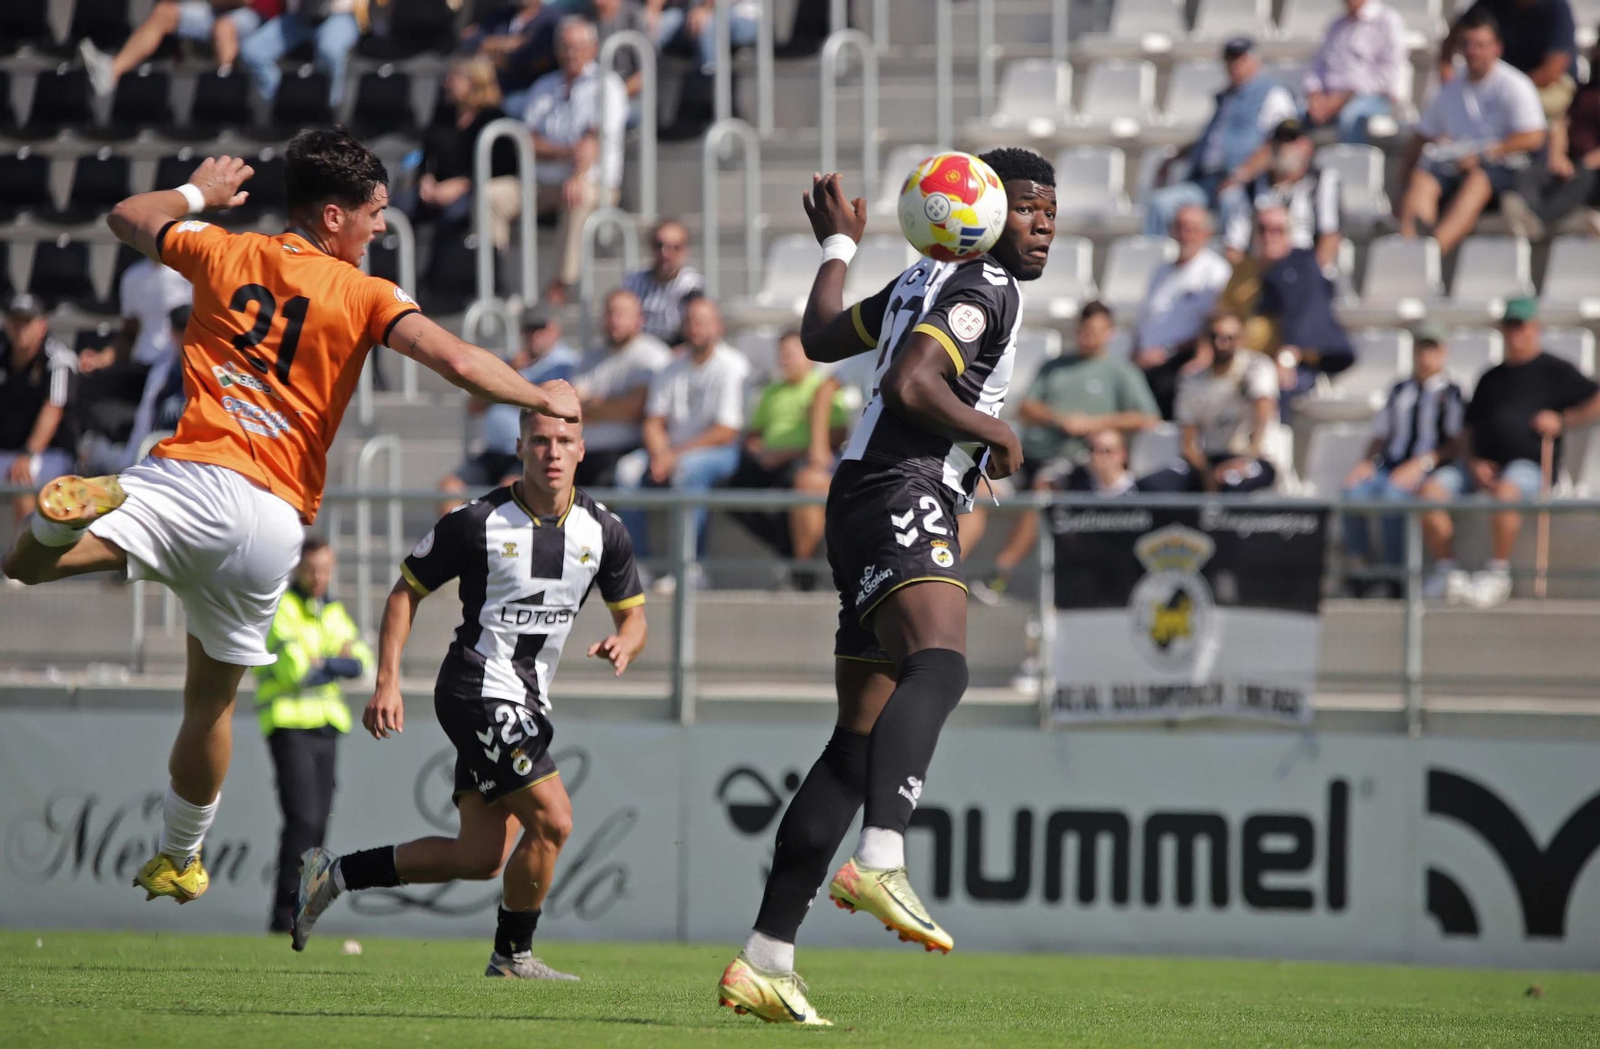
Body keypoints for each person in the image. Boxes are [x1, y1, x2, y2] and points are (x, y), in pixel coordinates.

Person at [0, 129, 580, 909]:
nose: (382, 226)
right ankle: (179, 855)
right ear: (334, 216)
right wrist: (546, 397)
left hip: (186, 476)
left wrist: (198, 192)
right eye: (374, 212)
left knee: (25, 564)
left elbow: (126, 215)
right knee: (210, 702)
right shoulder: (365, 293)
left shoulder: (222, 250)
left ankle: (67, 517)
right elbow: (459, 362)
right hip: (271, 517)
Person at [716, 150, 1055, 1026]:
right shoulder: (985, 285)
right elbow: (912, 384)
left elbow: (822, 337)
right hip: (905, 488)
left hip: (859, 495)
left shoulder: (921, 278)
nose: (1042, 226)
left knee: (855, 744)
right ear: (983, 213)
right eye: (1026, 209)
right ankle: (881, 854)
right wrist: (994, 432)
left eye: (1051, 212)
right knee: (941, 664)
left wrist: (837, 246)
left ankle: (766, 957)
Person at [290, 409, 648, 978]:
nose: (552, 452)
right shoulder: (477, 520)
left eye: (564, 441)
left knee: (480, 857)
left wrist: (625, 642)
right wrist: (387, 681)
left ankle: (334, 875)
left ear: (582, 449)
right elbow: (405, 591)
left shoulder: (604, 531)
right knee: (554, 820)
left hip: (528, 702)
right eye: (540, 441)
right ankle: (512, 956)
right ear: (520, 447)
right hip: (475, 688)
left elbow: (634, 617)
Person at [973, 301, 1158, 604]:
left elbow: (1147, 417)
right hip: (1028, 454)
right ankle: (948, 568)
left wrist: (1095, 423)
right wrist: (1059, 419)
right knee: (976, 486)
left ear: (1109, 333)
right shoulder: (1053, 365)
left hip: (1071, 458)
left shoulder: (1121, 371)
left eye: (1095, 331)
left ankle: (1000, 572)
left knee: (1045, 487)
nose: (1088, 337)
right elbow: (1025, 407)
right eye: (1084, 330)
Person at [1418, 298, 1600, 606]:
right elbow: (1468, 431)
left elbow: (1596, 399)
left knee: (1506, 491)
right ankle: (1448, 573)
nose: (1515, 332)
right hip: (1478, 467)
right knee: (1429, 492)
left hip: (1528, 466)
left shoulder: (1555, 370)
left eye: (1520, 325)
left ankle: (1498, 573)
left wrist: (1562, 420)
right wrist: (1474, 463)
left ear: (1535, 328)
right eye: (1509, 325)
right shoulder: (1490, 377)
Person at [254, 535, 370, 934]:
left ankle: (299, 912)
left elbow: (362, 663)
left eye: (324, 569)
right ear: (298, 569)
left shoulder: (332, 609)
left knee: (318, 825)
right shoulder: (282, 607)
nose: (318, 577)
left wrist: (327, 663)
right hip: (288, 723)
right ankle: (283, 913)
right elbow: (295, 670)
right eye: (311, 569)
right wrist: (336, 662)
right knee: (302, 819)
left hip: (326, 725)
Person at [614, 295, 749, 575]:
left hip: (721, 451)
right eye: (690, 321)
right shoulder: (670, 366)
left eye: (702, 321)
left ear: (718, 326)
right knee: (626, 471)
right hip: (671, 451)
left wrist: (671, 456)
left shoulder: (733, 365)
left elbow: (726, 431)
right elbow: (653, 421)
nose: (695, 327)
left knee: (688, 470)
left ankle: (690, 568)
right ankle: (639, 565)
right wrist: (661, 454)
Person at [1397, 10, 1547, 255]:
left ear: (1496, 48)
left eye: (1479, 45)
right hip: (1457, 165)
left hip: (1506, 169)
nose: (1472, 51)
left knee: (1478, 179)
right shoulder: (1450, 88)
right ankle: (1410, 249)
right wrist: (1403, 182)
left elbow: (1534, 137)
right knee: (1423, 177)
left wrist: (1485, 154)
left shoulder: (1515, 85)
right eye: (1466, 44)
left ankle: (1433, 252)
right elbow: (1421, 136)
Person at [1341, 324, 1467, 597]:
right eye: (1422, 348)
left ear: (1444, 352)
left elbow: (1455, 443)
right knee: (1352, 492)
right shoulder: (1399, 389)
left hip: (1428, 468)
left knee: (1393, 496)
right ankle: (1360, 570)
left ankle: (1395, 574)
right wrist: (1367, 462)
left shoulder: (1451, 393)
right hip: (1390, 466)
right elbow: (1381, 434)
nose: (1426, 355)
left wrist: (1421, 464)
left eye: (1432, 349)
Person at [1143, 36, 1298, 237]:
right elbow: (1209, 142)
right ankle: (1159, 256)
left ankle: (1230, 255)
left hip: (1245, 185)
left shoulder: (1273, 94)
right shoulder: (1225, 98)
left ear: (1256, 61)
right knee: (1161, 203)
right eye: (1230, 60)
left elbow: (1279, 142)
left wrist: (1241, 174)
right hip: (1205, 181)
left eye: (1242, 59)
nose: (1235, 65)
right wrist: (1173, 158)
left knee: (1230, 201)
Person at [522, 16, 628, 303]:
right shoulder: (543, 86)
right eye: (566, 46)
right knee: (493, 197)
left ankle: (563, 283)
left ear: (593, 48)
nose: (572, 53)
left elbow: (592, 141)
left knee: (577, 196)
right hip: (541, 182)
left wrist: (577, 174)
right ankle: (490, 275)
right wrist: (566, 151)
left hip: (594, 183)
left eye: (579, 46)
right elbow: (526, 141)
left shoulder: (607, 85)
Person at [1220, 205, 1353, 420]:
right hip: (1242, 360)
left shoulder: (1304, 266)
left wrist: (1287, 358)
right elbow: (1223, 316)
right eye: (1263, 229)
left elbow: (1306, 318)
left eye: (1277, 230)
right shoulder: (1243, 271)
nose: (1269, 236)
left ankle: (1269, 440)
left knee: (1269, 387)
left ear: (1289, 234)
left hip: (1293, 364)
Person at [726, 331, 849, 563]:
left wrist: (785, 455)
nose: (785, 359)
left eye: (791, 353)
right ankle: (786, 551)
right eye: (782, 354)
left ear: (809, 356)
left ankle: (799, 564)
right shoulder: (771, 391)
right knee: (729, 491)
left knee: (797, 486)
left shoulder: (823, 387)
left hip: (801, 462)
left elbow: (835, 438)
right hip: (769, 462)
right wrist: (757, 450)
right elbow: (754, 434)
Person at [440, 311, 578, 511]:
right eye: (529, 329)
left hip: (531, 452)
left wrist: (512, 390)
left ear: (554, 330)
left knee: (507, 492)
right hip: (494, 451)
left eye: (540, 329)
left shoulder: (565, 364)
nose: (534, 335)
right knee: (448, 489)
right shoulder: (508, 362)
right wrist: (509, 371)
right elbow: (473, 406)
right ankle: (457, 533)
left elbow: (560, 408)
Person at [1138, 311, 1280, 493]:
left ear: (1241, 339)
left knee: (1232, 483)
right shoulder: (1192, 381)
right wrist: (1206, 472)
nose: (1222, 343)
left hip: (1253, 456)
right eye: (1215, 336)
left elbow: (1264, 414)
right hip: (1208, 460)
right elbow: (1188, 441)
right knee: (1150, 486)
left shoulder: (1257, 367)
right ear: (1206, 339)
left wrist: (1248, 458)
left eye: (1230, 337)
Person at [77, 255, 194, 474]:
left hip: (183, 364)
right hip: (145, 368)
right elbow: (129, 332)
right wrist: (103, 358)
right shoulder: (133, 276)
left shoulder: (190, 273)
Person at [398, 57, 521, 247]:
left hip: (475, 187)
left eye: (453, 78)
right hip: (439, 187)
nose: (446, 84)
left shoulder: (494, 119)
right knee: (402, 205)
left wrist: (463, 184)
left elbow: (503, 167)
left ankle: (449, 265)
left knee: (454, 213)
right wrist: (425, 179)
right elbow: (427, 154)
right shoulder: (443, 114)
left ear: (474, 82)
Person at [1134, 204, 1233, 419]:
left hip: (1179, 361)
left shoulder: (1215, 271)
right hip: (1147, 362)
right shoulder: (1160, 271)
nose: (1185, 234)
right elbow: (1145, 319)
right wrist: (1137, 353)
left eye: (1192, 228)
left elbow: (1215, 322)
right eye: (1180, 227)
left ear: (1206, 233)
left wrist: (1167, 352)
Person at [1499, 38, 1600, 239]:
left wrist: (1586, 164)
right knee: (1529, 173)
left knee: (1585, 178)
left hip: (1593, 171)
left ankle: (1538, 222)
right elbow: (1561, 123)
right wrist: (1557, 155)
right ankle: (1530, 214)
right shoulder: (1585, 91)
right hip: (1570, 163)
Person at [573, 288, 672, 487]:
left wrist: (590, 405)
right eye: (610, 313)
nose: (614, 320)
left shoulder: (653, 355)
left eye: (622, 314)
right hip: (583, 453)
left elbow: (636, 408)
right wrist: (613, 406)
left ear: (640, 319)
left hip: (627, 451)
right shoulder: (589, 357)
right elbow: (571, 406)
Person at [1218, 119, 1342, 269]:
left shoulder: (1323, 181)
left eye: (1292, 140)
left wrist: (1313, 276)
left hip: (1306, 268)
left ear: (1307, 146)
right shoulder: (1251, 188)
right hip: (1261, 270)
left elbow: (1330, 236)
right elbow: (1234, 246)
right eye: (1280, 141)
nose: (1285, 147)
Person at [79, 0, 266, 99]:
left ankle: (226, 94)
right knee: (164, 12)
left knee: (224, 29)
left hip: (258, 14)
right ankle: (112, 72)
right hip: (217, 9)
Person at [0, 295, 78, 526]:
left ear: (42, 325)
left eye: (27, 322)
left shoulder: (58, 359)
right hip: (7, 450)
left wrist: (28, 453)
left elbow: (53, 409)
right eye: (15, 321)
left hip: (49, 453)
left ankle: (25, 548)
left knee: (22, 478)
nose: (20, 329)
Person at [1441, 0, 1577, 125]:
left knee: (1528, 111)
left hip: (1549, 84)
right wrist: (1447, 72)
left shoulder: (1556, 8)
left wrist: (1512, 89)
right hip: (1499, 81)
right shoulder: (1492, 4)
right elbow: (1457, 32)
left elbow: (1552, 70)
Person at [1303, 0, 1410, 143]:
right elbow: (1317, 66)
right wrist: (1315, 94)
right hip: (1328, 97)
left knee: (1351, 117)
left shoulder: (1387, 21)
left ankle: (1351, 158)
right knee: (1292, 119)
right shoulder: (1336, 24)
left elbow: (1389, 73)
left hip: (1373, 98)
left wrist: (1342, 98)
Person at [238, 0, 363, 110]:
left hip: (339, 15)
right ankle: (282, 103)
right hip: (300, 15)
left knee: (330, 51)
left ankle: (329, 110)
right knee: (252, 51)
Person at [464, 0, 563, 114]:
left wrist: (495, 54)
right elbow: (470, 43)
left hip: (532, 93)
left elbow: (534, 60)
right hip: (494, 92)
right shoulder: (501, 16)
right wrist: (505, 43)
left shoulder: (552, 19)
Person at [622, 219, 707, 344]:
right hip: (640, 348)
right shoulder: (634, 281)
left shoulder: (691, 286)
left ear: (685, 251)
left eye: (675, 247)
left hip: (677, 351)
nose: (666, 253)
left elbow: (696, 332)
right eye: (659, 245)